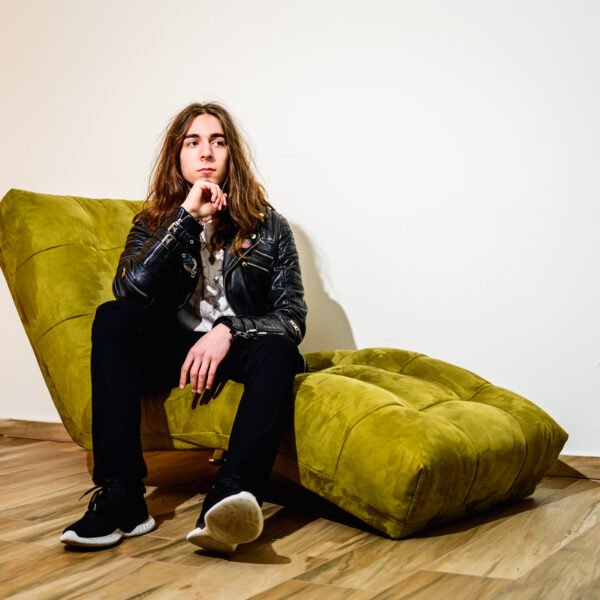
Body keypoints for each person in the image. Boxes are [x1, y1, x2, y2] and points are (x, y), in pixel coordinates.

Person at [60, 102, 308, 553]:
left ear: (232, 154)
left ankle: (228, 498)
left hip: (234, 349)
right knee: (113, 317)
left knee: (280, 351)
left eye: (218, 141)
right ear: (177, 156)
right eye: (193, 142)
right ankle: (121, 495)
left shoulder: (270, 227)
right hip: (173, 351)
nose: (206, 152)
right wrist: (186, 220)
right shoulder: (154, 222)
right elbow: (128, 291)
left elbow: (291, 318)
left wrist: (228, 330)